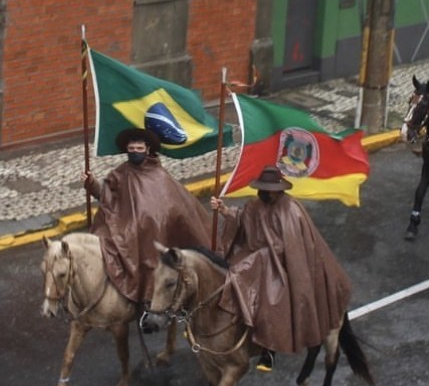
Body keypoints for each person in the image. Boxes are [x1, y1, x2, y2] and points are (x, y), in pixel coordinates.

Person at [210, 166, 351, 372]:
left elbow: (293, 246)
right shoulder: (255, 206)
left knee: (270, 297)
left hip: (281, 264)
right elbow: (242, 219)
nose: (269, 193)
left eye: (272, 189)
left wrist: (269, 253)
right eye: (265, 189)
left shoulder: (292, 210)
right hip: (256, 257)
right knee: (229, 273)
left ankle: (269, 349)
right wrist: (223, 210)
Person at [82, 128, 212, 309]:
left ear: (148, 149)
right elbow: (106, 195)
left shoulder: (159, 174)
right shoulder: (121, 173)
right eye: (132, 148)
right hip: (125, 225)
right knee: (105, 241)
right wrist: (91, 183)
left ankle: (150, 295)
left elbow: (172, 203)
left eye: (139, 148)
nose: (135, 151)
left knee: (151, 254)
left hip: (154, 231)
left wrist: (158, 219)